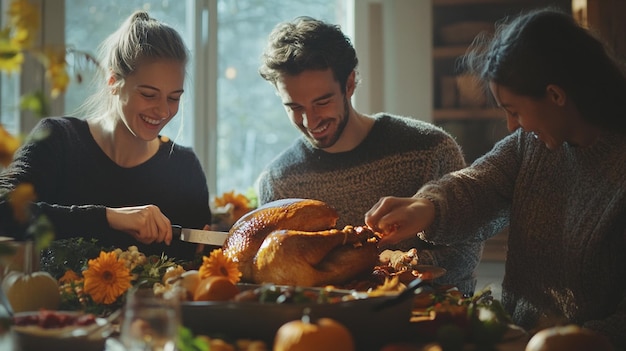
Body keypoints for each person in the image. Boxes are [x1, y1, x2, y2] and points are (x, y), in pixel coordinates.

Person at [365, 8, 626, 349]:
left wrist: (590, 340)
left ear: (556, 95)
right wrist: (425, 207)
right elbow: (478, 184)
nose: (511, 126)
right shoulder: (530, 144)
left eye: (514, 110)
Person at [255, 16, 484, 296]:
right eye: (294, 106)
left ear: (349, 84)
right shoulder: (278, 181)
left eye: (322, 102)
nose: (310, 120)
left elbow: (467, 252)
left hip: (428, 326)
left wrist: (388, 267)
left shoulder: (429, 149)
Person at [0, 11, 211, 261]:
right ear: (113, 82)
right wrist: (111, 218)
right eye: (148, 94)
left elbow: (198, 272)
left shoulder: (185, 167)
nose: (164, 110)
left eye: (174, 98)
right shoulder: (58, 139)